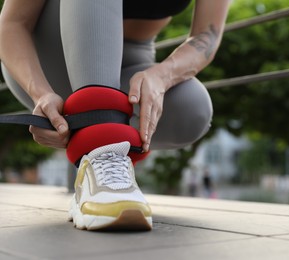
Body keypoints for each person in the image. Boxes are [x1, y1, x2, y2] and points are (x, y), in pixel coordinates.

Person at [0, 0, 230, 231]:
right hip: (48, 58)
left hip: (130, 60)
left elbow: (207, 35)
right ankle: (101, 160)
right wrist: (40, 94)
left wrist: (162, 76)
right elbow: (12, 23)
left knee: (192, 108)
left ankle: (104, 163)